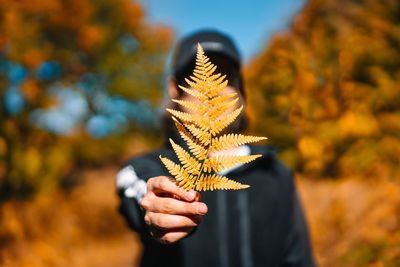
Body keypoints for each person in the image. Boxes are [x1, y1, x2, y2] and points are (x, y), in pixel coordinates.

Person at [116, 30, 316, 267]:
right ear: (174, 88)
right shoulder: (150, 167)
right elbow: (139, 191)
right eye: (197, 78)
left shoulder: (275, 173)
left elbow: (300, 259)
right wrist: (157, 207)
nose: (214, 89)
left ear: (241, 89)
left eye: (226, 77)